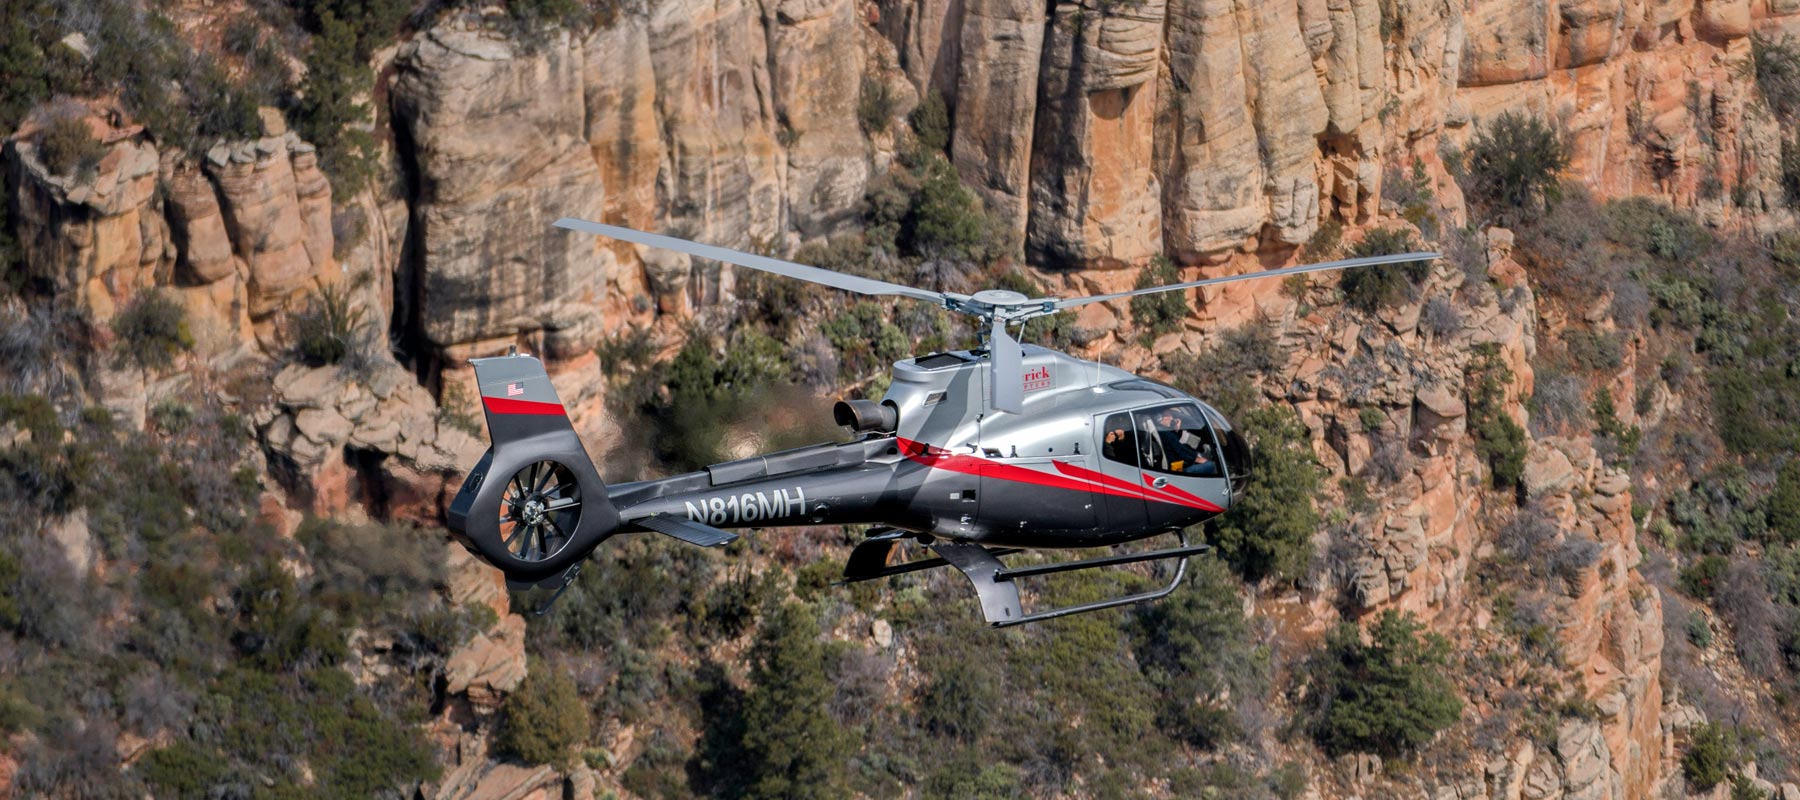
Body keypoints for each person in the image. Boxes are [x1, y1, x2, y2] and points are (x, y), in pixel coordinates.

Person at [1153, 406, 1216, 476]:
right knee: (1210, 465)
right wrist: (1200, 459)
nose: (1171, 418)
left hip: (1173, 462)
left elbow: (1174, 445)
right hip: (1179, 470)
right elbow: (1182, 452)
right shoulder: (1167, 435)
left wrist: (1176, 431)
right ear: (1159, 418)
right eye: (1168, 415)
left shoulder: (1160, 431)